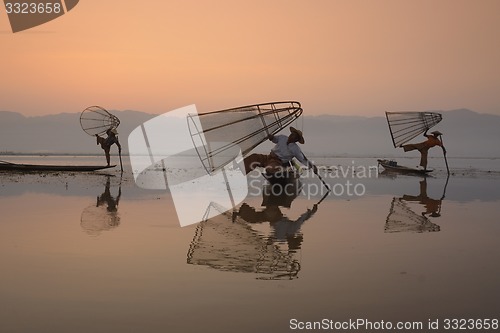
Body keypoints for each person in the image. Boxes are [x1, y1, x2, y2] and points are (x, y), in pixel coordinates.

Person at [243, 127, 318, 175]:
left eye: (294, 136)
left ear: (296, 139)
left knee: (270, 169)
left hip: (277, 162)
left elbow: (302, 159)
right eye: (291, 134)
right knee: (254, 157)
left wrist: (312, 166)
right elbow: (275, 139)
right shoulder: (283, 138)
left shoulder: (295, 149)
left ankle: (278, 174)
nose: (291, 136)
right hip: (268, 157)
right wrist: (271, 137)